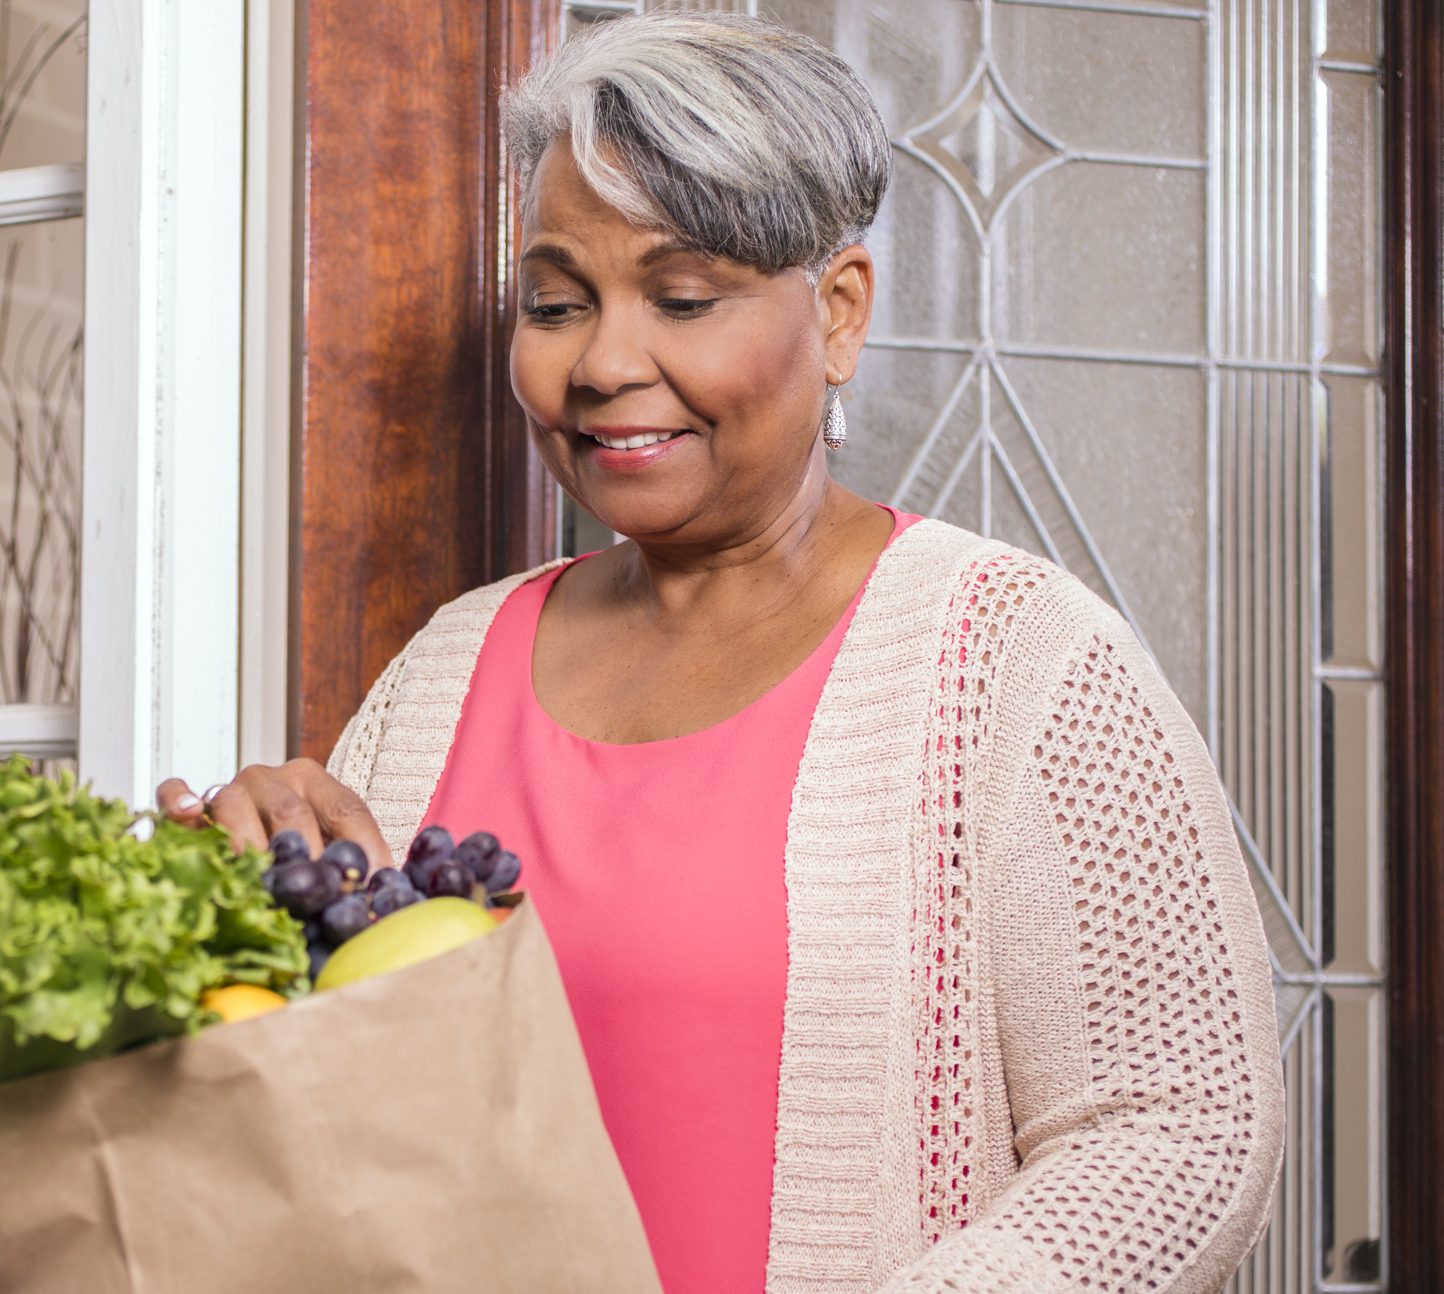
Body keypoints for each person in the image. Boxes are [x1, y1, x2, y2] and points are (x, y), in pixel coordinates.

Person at [162, 14, 1284, 1291]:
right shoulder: (449, 663)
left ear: (840, 311)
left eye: (682, 298)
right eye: (554, 303)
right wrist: (235, 903)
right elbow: (327, 1106)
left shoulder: (1018, 665)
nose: (601, 362)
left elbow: (1180, 1136)